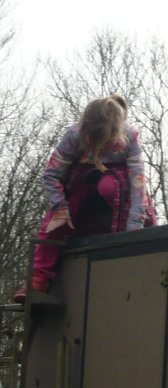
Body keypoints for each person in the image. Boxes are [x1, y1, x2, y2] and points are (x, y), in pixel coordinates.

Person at [14, 96, 157, 302]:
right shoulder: (74, 135)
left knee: (111, 187)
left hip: (121, 186)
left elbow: (138, 180)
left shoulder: (130, 136)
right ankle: (37, 279)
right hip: (80, 180)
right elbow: (52, 173)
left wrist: (135, 223)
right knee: (54, 223)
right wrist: (60, 207)